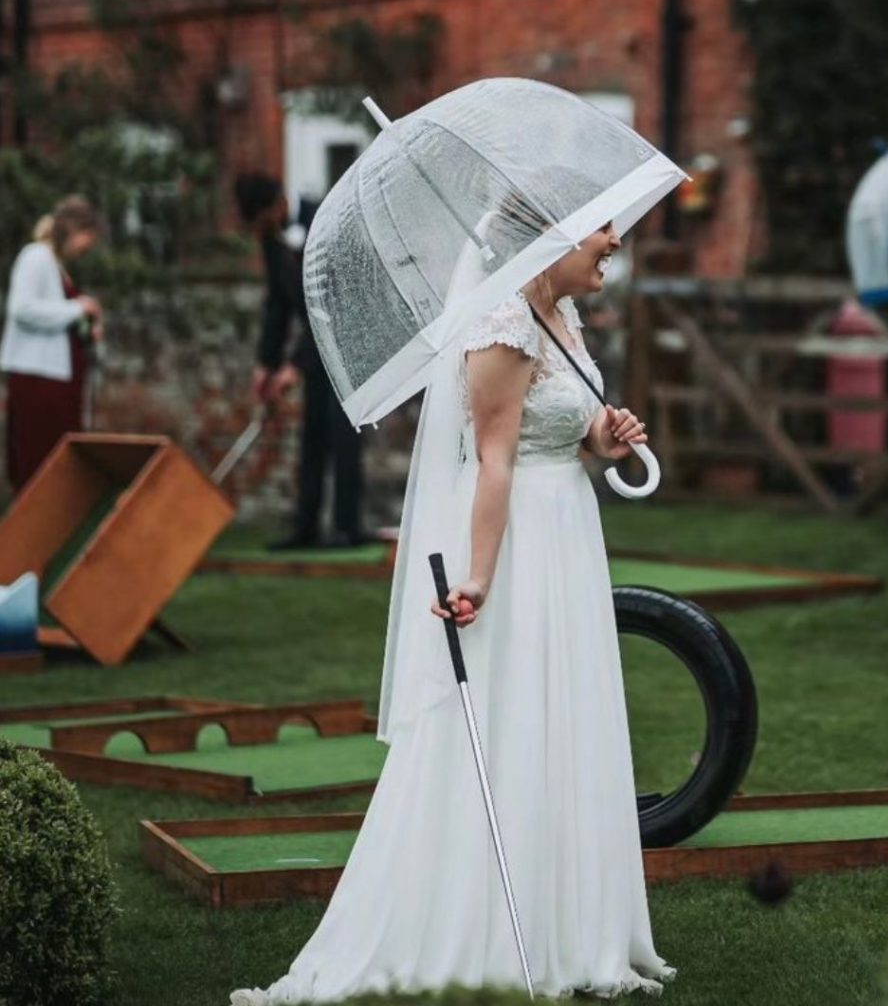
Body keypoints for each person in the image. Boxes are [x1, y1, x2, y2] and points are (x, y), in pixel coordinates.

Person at [230, 220, 675, 1002]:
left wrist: (599, 440)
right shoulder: (502, 323)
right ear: (549, 239)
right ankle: (493, 926)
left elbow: (553, 438)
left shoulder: (558, 318)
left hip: (566, 528)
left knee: (560, 715)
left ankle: (571, 925)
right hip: (520, 545)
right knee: (516, 713)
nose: (612, 241)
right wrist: (478, 578)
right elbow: (495, 459)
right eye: (600, 231)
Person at [234, 173, 365, 550]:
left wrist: (295, 365)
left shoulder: (323, 218)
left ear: (278, 204)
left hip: (346, 341)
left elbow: (333, 302)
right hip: (314, 350)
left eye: (262, 221)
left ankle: (347, 528)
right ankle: (305, 527)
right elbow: (277, 302)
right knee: (312, 433)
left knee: (343, 436)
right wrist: (266, 363)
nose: (261, 231)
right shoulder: (271, 238)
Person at [1, 196, 103, 491]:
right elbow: (21, 309)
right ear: (73, 229)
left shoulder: (56, 266)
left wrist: (84, 327)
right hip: (38, 379)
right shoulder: (36, 257)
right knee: (38, 467)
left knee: (58, 468)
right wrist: (77, 308)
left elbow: (55, 318)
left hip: (56, 379)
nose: (88, 247)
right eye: (88, 237)